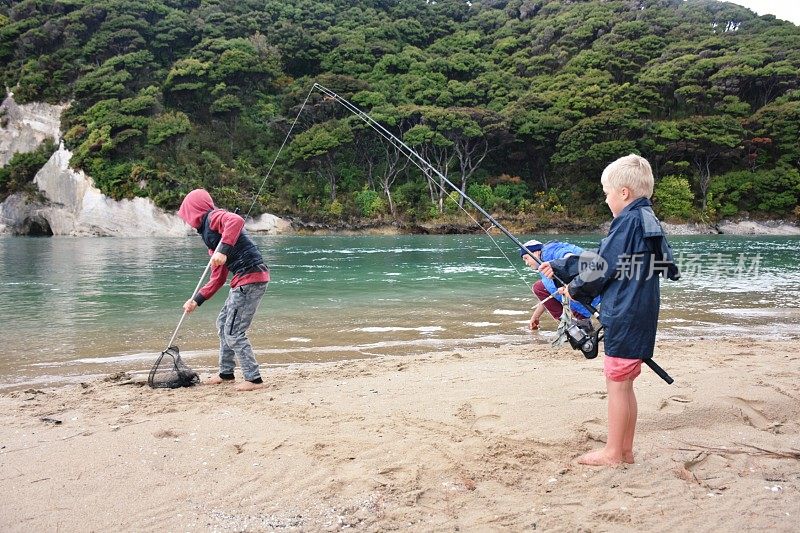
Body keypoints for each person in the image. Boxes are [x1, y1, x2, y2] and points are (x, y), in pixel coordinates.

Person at [538, 154, 678, 466]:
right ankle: (625, 450)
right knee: (625, 383)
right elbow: (604, 257)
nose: (605, 198)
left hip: (625, 312)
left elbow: (602, 266)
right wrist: (562, 266)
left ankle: (614, 452)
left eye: (606, 192)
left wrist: (573, 288)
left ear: (624, 193)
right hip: (638, 310)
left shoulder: (627, 223)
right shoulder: (644, 219)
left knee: (617, 384)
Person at [177, 189, 270, 392]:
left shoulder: (214, 217)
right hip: (242, 280)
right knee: (222, 324)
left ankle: (254, 379)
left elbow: (236, 220)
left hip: (251, 278)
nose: (187, 219)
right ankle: (225, 373)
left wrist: (223, 250)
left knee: (234, 331)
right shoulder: (209, 235)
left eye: (187, 213)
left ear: (195, 210)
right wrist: (196, 299)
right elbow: (217, 279)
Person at [519, 239, 600, 330]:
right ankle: (578, 323)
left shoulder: (550, 251)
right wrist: (535, 316)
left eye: (526, 258)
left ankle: (573, 325)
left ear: (535, 252)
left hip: (590, 285)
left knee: (539, 287)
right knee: (541, 287)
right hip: (591, 285)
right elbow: (549, 292)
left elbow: (570, 257)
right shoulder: (543, 261)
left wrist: (568, 277)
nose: (526, 263)